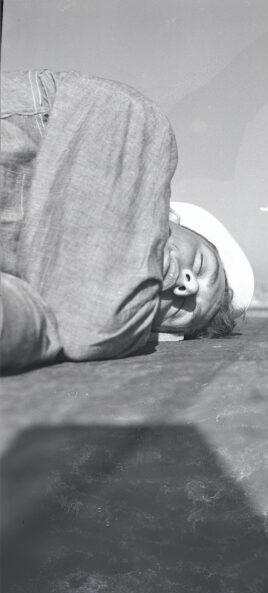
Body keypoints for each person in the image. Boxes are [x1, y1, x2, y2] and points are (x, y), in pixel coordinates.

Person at [0, 70, 254, 372]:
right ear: (171, 218)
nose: (187, 286)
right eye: (200, 266)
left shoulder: (48, 318)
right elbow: (120, 111)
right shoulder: (128, 127)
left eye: (183, 310)